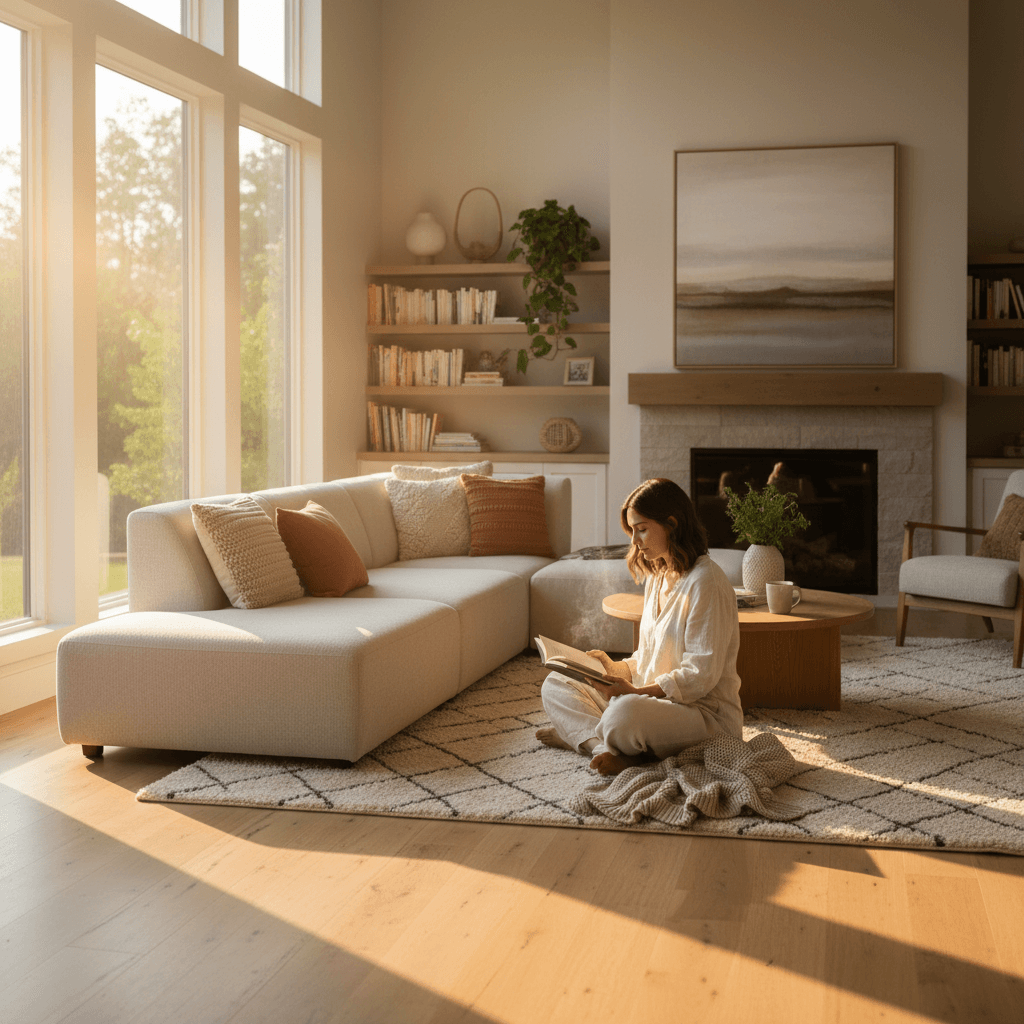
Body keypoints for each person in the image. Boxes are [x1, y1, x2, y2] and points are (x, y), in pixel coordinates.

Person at [536, 478, 743, 776]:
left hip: (703, 715)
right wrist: (614, 668)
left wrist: (635, 691)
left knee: (624, 715)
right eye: (632, 531)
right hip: (650, 700)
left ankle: (583, 736)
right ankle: (601, 748)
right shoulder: (657, 576)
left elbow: (700, 675)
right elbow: (648, 656)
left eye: (642, 529)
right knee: (556, 684)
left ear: (672, 524)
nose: (634, 540)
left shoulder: (706, 582)